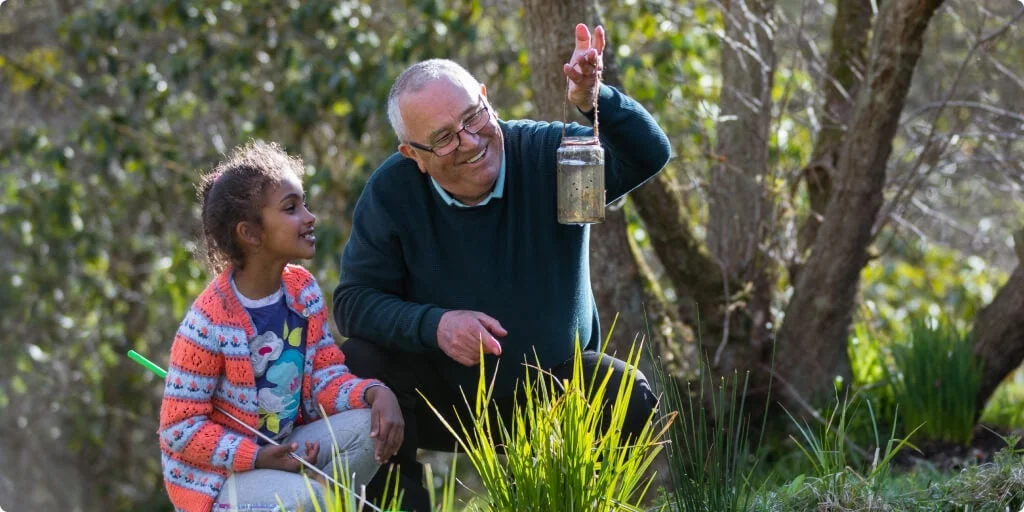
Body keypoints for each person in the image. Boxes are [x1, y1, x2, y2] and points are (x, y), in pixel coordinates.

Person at [334, 23, 670, 510]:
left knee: (625, 390)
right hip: (444, 402)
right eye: (444, 138)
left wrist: (596, 99)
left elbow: (648, 154)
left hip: (554, 394)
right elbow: (353, 304)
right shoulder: (393, 192)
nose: (470, 141)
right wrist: (436, 325)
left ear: (487, 98)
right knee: (362, 364)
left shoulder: (552, 155)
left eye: (474, 116)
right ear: (413, 155)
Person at [158, 140, 404, 512]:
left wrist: (374, 393)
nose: (309, 217)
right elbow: (180, 430)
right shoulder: (208, 322)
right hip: (220, 479)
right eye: (291, 208)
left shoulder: (302, 291)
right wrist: (255, 457)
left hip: (285, 446)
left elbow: (324, 375)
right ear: (251, 234)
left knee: (372, 428)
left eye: (304, 203)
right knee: (315, 501)